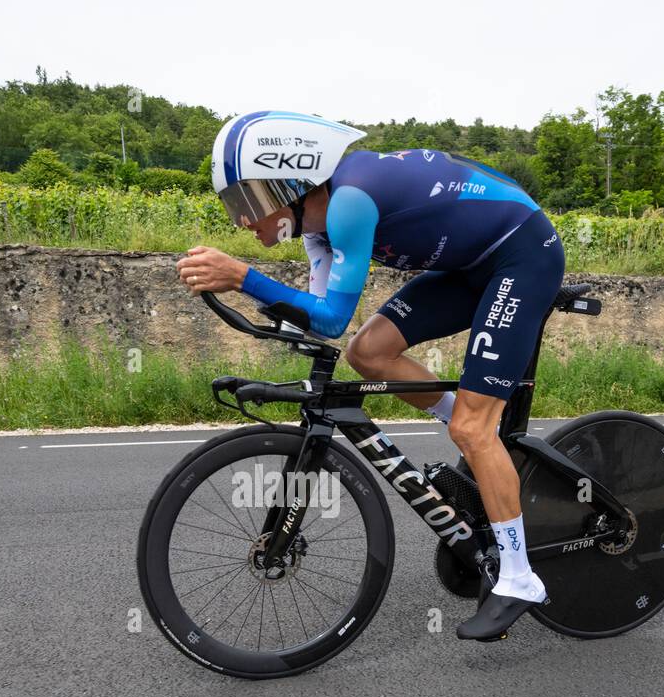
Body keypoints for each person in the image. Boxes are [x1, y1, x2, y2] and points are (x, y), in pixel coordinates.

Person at [177, 110, 566, 641]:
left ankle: (520, 578)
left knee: (472, 430)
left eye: (246, 202)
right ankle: (480, 437)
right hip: (468, 267)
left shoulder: (350, 204)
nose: (242, 221)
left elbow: (331, 316)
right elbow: (321, 320)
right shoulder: (316, 231)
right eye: (233, 207)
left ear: (288, 181)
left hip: (521, 256)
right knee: (370, 351)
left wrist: (244, 277)